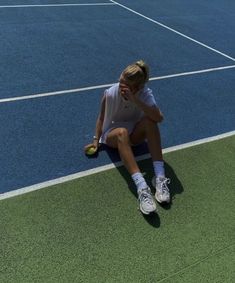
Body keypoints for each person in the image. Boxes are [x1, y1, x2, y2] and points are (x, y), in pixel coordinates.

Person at [84, 60, 170, 215]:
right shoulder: (110, 93)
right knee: (122, 132)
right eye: (120, 81)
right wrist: (96, 140)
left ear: (137, 88)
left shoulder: (144, 94)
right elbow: (101, 118)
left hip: (133, 134)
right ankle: (142, 187)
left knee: (151, 122)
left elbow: (159, 118)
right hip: (113, 135)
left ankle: (159, 178)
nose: (120, 87)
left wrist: (135, 100)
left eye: (125, 85)